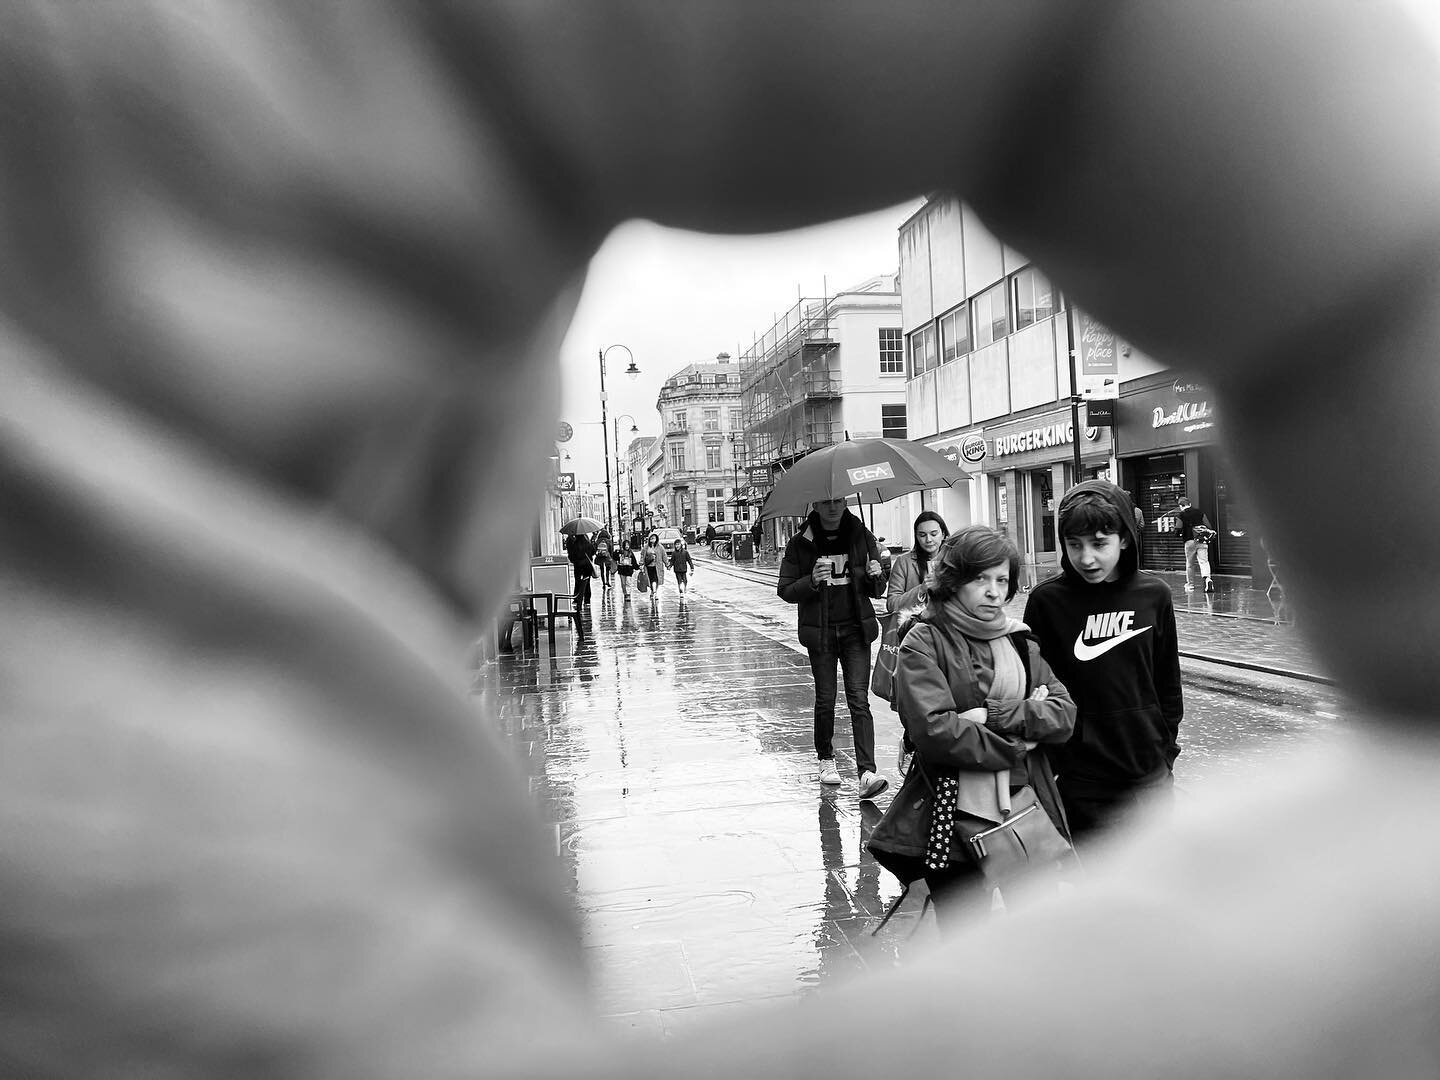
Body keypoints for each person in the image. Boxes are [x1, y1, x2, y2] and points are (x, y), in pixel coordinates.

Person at [6, 4, 1440, 1078]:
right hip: (949, 769)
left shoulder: (978, 598)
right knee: (887, 768)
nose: (1034, 573)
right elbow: (930, 710)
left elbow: (1085, 695)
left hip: (1051, 781)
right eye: (1011, 567)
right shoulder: (912, 605)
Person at [873, 526, 1075, 926]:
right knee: (967, 941)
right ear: (953, 580)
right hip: (952, 822)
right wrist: (1020, 743)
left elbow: (1063, 715)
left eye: (1002, 580)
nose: (993, 591)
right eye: (980, 578)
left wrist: (992, 716)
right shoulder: (924, 642)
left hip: (1022, 810)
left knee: (1035, 933)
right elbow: (937, 732)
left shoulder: (1019, 642)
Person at [1022, 481, 1182, 844]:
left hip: (1149, 777)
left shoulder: (1154, 595)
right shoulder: (1047, 602)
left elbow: (1167, 684)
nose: (1086, 558)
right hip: (1080, 782)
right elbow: (1035, 689)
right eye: (1074, 544)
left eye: (1099, 543)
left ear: (1124, 539)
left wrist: (1165, 752)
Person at [777, 497, 890, 799]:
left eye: (838, 501)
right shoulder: (800, 543)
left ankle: (866, 771)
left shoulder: (860, 534)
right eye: (826, 502)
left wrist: (877, 575)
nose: (832, 508)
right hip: (822, 633)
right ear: (814, 504)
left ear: (845, 502)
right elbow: (785, 589)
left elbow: (876, 591)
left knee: (859, 700)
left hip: (855, 630)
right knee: (826, 699)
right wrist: (811, 581)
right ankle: (826, 759)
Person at [883, 511, 950, 775]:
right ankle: (912, 742)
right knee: (916, 701)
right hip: (917, 640)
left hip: (949, 639)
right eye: (922, 535)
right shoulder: (905, 563)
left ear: (943, 533)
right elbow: (892, 603)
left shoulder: (955, 559)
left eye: (934, 534)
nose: (929, 540)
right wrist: (922, 587)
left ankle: (932, 755)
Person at [1174, 495, 1215, 593]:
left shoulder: (1181, 515)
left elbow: (1178, 529)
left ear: (1181, 506)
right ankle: (1207, 579)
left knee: (1190, 564)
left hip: (1190, 541)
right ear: (1190, 504)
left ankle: (1190, 585)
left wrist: (1178, 534)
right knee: (1204, 562)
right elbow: (1208, 526)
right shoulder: (1200, 512)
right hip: (1202, 540)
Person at [564, 530, 596, 609]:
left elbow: (571, 556)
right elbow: (593, 552)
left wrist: (575, 561)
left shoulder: (575, 544)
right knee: (587, 582)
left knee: (578, 582)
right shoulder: (588, 543)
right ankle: (587, 600)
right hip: (587, 566)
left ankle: (577, 599)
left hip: (578, 566)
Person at [642, 533, 664, 599]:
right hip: (649, 566)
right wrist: (641, 564)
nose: (653, 540)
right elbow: (643, 555)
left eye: (654, 538)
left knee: (656, 579)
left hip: (657, 566)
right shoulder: (646, 547)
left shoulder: (660, 547)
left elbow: (664, 555)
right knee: (650, 579)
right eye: (651, 538)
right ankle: (652, 591)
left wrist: (667, 564)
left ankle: (655, 592)